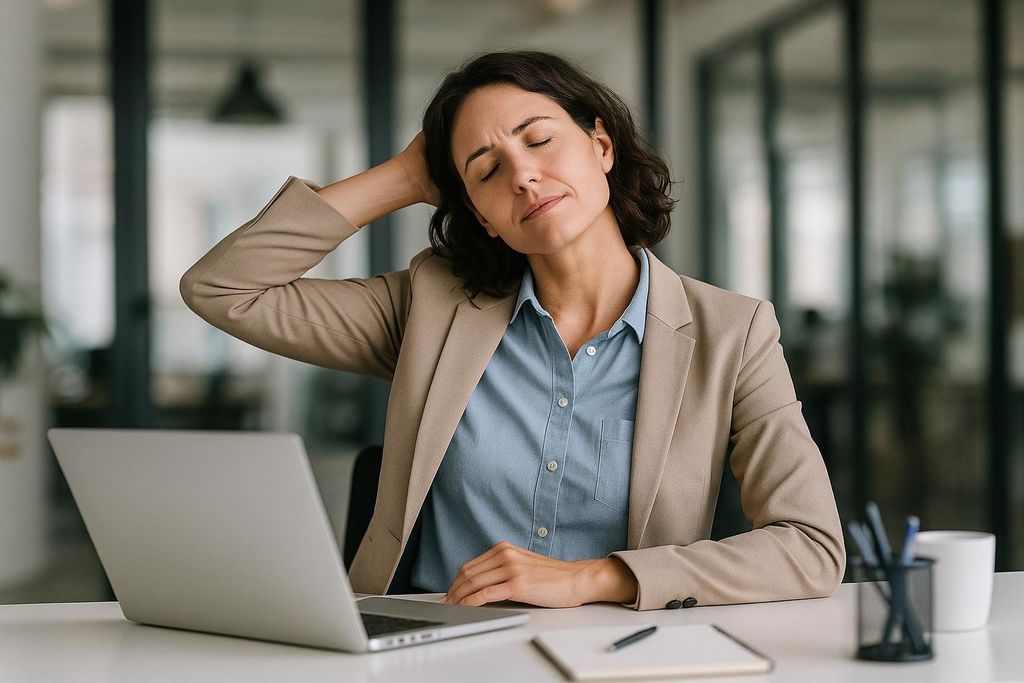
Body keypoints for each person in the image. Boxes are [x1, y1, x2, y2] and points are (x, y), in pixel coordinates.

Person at [180, 51, 845, 612]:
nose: (522, 175)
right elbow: (222, 288)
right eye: (486, 169)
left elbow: (812, 547)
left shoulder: (731, 332)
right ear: (484, 216)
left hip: (620, 655)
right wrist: (406, 176)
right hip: (431, 647)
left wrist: (597, 576)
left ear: (602, 144)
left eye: (538, 139)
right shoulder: (432, 310)